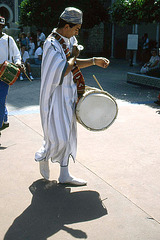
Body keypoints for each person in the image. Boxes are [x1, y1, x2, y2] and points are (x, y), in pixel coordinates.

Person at [35, 7, 110, 185]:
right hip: (54, 97)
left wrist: (94, 61)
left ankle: (64, 174)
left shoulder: (69, 40)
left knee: (68, 135)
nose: (77, 32)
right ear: (66, 26)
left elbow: (73, 64)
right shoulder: (51, 43)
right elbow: (62, 70)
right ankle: (43, 154)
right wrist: (74, 56)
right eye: (76, 28)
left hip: (69, 94)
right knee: (58, 136)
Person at [0, 16, 22, 132]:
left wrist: (18, 63)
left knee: (1, 100)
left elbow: (17, 55)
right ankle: (4, 118)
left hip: (4, 74)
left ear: (3, 26)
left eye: (0, 26)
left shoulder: (8, 39)